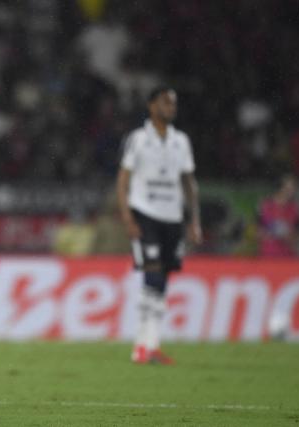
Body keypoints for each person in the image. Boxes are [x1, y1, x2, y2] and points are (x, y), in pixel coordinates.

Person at [116, 87, 202, 365]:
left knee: (162, 279)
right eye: (166, 102)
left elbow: (189, 184)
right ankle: (141, 345)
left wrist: (194, 221)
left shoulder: (181, 141)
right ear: (152, 105)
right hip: (145, 214)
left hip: (173, 217)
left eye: (174, 103)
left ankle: (151, 345)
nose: (171, 107)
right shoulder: (138, 140)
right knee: (151, 275)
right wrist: (128, 217)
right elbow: (123, 180)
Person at [257, 175, 299, 256]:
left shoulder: (296, 210)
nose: (292, 191)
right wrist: (269, 233)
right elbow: (257, 232)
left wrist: (287, 236)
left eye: (294, 188)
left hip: (288, 257)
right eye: (288, 187)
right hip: (268, 256)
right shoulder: (265, 206)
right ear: (280, 187)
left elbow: (297, 237)